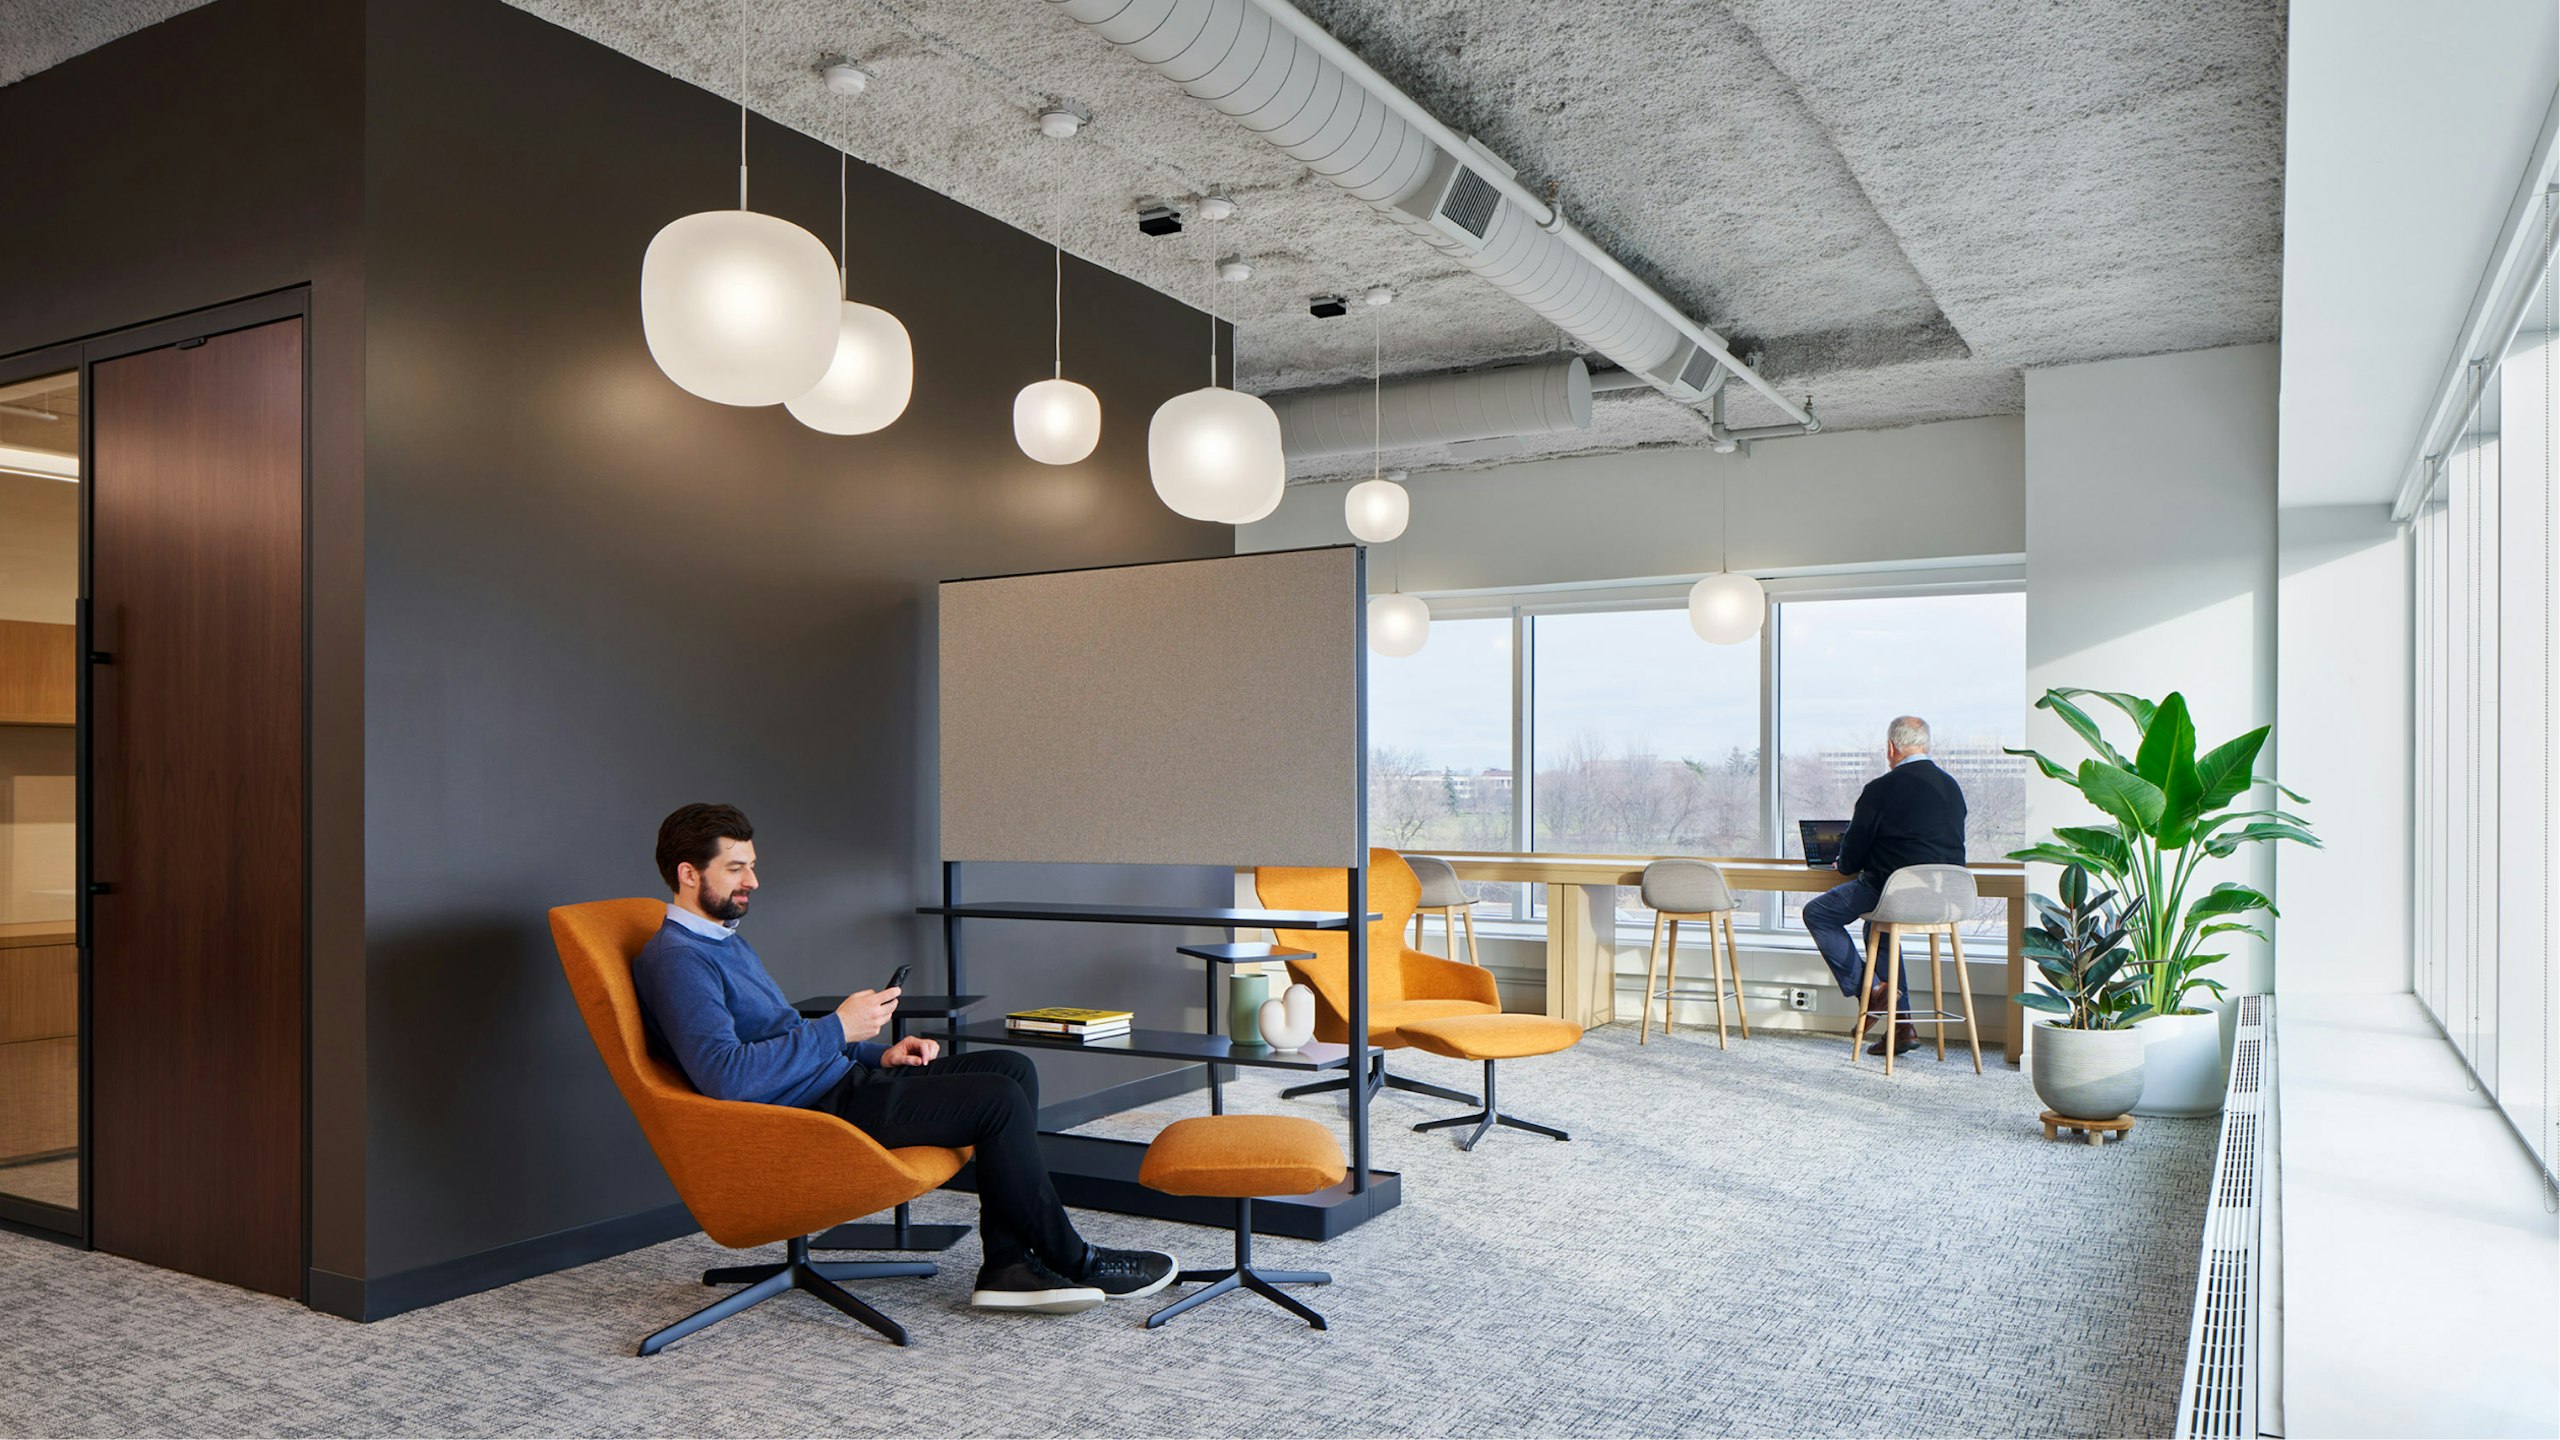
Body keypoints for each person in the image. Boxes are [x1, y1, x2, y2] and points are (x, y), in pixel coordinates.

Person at [630, 802, 1175, 1315]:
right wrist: (838, 1026)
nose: (753, 881)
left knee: (1013, 1068)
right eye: (736, 868)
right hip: (812, 1113)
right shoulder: (679, 961)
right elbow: (727, 1077)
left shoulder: (723, 940)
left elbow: (780, 1033)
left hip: (842, 1080)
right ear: (688, 874)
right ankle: (1075, 1260)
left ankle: (1008, 1264)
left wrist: (879, 1050)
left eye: (752, 865)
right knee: (999, 1099)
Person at [1800, 716, 1968, 1056]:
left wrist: (1842, 863)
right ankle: (1902, 1026)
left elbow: (1851, 858)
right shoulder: (1952, 787)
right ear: (1925, 745)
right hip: (1947, 898)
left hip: (1893, 892)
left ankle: (1872, 990)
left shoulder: (1880, 789)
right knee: (1878, 926)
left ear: (1891, 748)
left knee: (1818, 913)